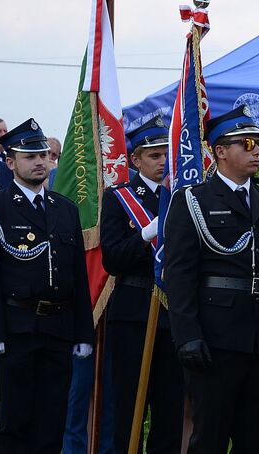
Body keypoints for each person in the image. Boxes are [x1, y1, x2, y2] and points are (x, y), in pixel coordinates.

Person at [164, 105, 259, 454]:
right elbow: (179, 275)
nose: (256, 150)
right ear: (219, 151)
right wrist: (187, 336)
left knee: (258, 439)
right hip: (215, 339)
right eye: (246, 143)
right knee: (209, 435)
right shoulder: (193, 201)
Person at [0, 118, 94, 453]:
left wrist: (83, 333)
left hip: (58, 328)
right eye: (29, 156)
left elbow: (77, 276)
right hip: (16, 329)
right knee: (15, 422)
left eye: (43, 155)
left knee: (52, 421)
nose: (39, 162)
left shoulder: (64, 209)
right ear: (10, 163)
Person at [102, 116, 183, 454]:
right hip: (133, 311)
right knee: (129, 408)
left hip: (174, 315)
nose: (163, 160)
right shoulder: (119, 198)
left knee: (169, 411)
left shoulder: (180, 197)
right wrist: (145, 235)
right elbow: (113, 258)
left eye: (166, 153)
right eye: (154, 155)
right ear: (135, 160)